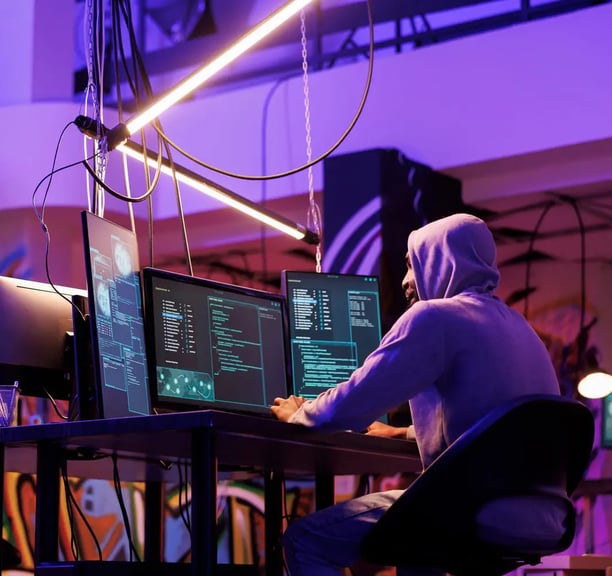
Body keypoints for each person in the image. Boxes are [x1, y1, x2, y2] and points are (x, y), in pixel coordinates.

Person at [271, 213, 564, 576]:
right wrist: (405, 432)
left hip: (470, 510)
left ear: (441, 259)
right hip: (541, 515)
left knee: (305, 540)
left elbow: (352, 403)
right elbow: (494, 422)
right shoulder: (521, 328)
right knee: (418, 533)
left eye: (412, 265)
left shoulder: (435, 318)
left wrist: (301, 413)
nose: (407, 282)